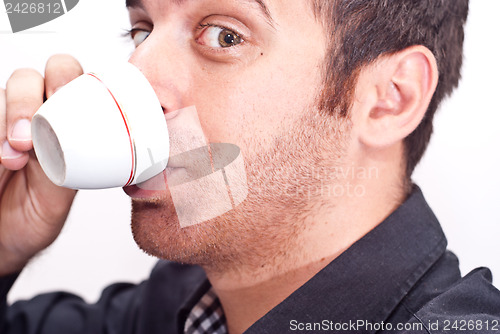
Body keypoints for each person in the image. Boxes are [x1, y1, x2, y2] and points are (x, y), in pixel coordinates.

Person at [1, 0, 499, 333]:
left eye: (223, 37)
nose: (136, 82)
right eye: (142, 30)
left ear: (389, 100)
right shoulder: (169, 308)